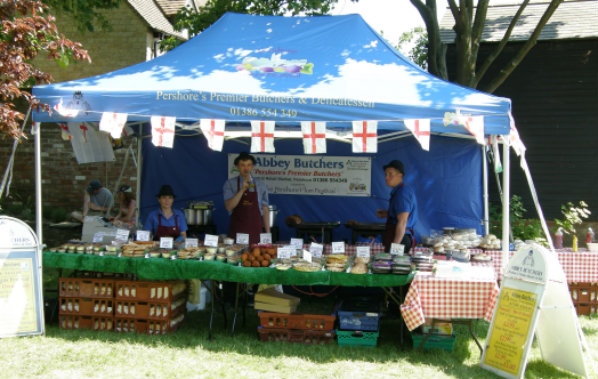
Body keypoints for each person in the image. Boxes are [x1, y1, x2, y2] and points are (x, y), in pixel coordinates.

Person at [223, 152, 270, 245]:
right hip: (238, 231)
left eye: (249, 165)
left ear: (252, 166)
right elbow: (229, 207)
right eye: (242, 165)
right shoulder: (229, 184)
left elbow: (265, 209)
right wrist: (242, 190)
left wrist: (268, 233)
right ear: (237, 167)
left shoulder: (261, 185)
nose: (246, 168)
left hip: (255, 231)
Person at [376, 160, 417, 253]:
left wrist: (395, 247)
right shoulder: (399, 191)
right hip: (399, 236)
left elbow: (403, 221)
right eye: (385, 174)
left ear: (400, 175)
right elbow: (401, 214)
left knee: (394, 265)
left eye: (390, 174)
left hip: (400, 238)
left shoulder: (402, 193)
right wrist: (387, 214)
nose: (386, 177)